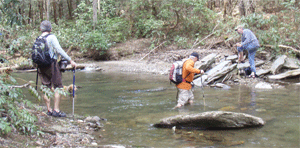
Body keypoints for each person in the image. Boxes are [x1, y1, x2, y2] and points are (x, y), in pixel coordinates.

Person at [38, 20, 77, 117]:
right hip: (52, 64)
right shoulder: (52, 37)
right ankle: (56, 110)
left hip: (41, 65)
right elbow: (59, 49)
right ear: (50, 29)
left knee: (45, 87)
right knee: (58, 87)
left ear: (40, 29)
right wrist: (70, 60)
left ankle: (49, 110)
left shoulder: (38, 38)